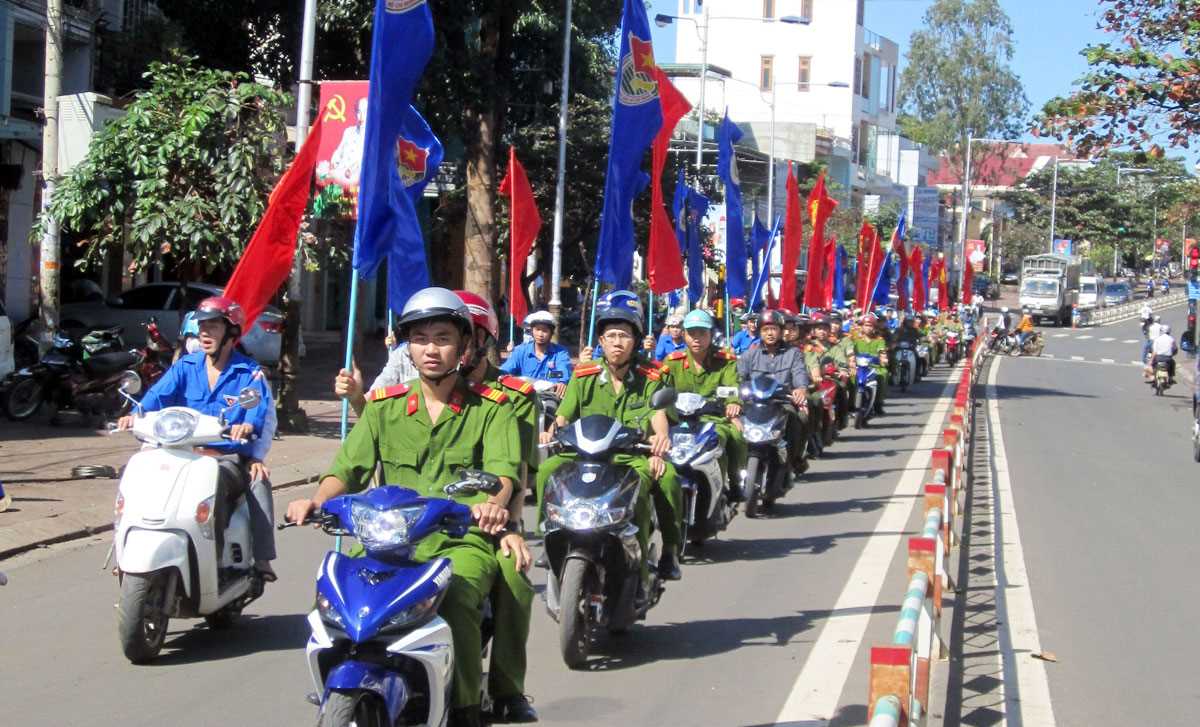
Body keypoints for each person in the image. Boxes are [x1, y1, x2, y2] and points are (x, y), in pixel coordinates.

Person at [287, 287, 523, 727]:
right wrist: (317, 501)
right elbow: (348, 469)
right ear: (407, 347)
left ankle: (468, 707)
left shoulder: (492, 410)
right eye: (421, 339)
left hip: (458, 540)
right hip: (382, 541)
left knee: (454, 602)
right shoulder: (383, 407)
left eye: (442, 337)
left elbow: (503, 473)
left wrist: (492, 507)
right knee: (338, 598)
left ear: (465, 346)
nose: (431, 349)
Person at [117, 296, 277, 581]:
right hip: (181, 453)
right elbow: (155, 398)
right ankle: (124, 549)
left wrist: (247, 428)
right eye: (202, 326)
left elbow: (257, 413)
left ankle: (244, 558)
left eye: (213, 326)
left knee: (252, 479)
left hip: (224, 458)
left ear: (231, 332)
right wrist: (134, 414)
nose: (205, 333)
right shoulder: (185, 367)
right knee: (140, 477)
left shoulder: (249, 374)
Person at [537, 291, 684, 581]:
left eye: (625, 335)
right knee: (545, 471)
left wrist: (659, 445)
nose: (618, 342)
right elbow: (566, 414)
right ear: (601, 341)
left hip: (631, 457)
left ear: (637, 340)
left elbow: (659, 414)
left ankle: (667, 551)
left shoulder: (653, 375)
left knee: (666, 480)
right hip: (584, 455)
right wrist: (550, 431)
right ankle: (550, 535)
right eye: (611, 335)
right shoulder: (584, 374)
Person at [454, 291, 539, 724]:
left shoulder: (514, 396)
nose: (451, 348)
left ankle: (507, 688)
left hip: (493, 516)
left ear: (483, 341)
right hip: (422, 518)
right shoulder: (422, 391)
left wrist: (508, 524)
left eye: (462, 337)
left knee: (514, 579)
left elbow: (517, 472)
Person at [662, 309, 747, 500]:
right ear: (684, 335)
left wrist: (733, 405)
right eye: (692, 333)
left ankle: (734, 482)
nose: (697, 339)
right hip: (679, 420)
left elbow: (732, 386)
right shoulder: (673, 361)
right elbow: (659, 388)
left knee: (734, 436)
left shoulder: (725, 361)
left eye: (702, 333)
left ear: (711, 335)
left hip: (712, 419)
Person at [737, 309, 812, 474]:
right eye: (765, 330)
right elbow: (738, 377)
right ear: (760, 332)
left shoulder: (793, 354)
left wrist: (800, 389)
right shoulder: (750, 354)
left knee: (801, 418)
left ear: (781, 330)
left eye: (774, 329)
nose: (770, 333)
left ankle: (795, 458)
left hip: (781, 403)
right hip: (754, 404)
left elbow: (799, 373)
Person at [500, 310, 573, 395]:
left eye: (545, 331)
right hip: (524, 395)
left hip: (549, 396)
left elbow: (563, 371)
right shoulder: (520, 351)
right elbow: (505, 370)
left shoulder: (561, 352)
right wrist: (502, 376)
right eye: (537, 329)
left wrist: (561, 382)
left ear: (551, 333)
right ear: (532, 331)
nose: (540, 334)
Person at [853, 315, 890, 417]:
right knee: (850, 378)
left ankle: (878, 403)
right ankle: (850, 403)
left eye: (871, 326)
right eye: (866, 325)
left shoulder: (879, 340)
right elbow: (849, 350)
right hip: (858, 367)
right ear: (862, 326)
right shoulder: (855, 339)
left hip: (874, 367)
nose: (868, 328)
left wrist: (883, 359)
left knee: (883, 374)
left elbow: (882, 351)